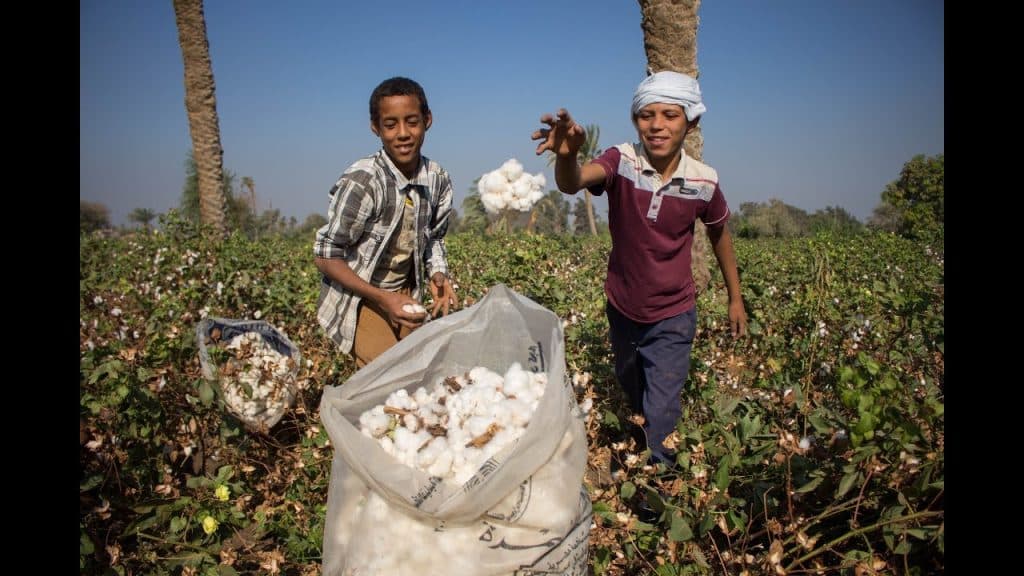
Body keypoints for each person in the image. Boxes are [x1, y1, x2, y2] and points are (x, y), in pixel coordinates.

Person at [531, 70, 748, 465]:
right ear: (636, 120)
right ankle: (635, 448)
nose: (657, 125)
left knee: (663, 405)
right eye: (647, 115)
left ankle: (657, 489)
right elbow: (574, 181)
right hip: (624, 308)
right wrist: (567, 155)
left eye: (670, 115)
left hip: (674, 313)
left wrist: (736, 297)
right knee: (633, 387)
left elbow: (720, 236)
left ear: (691, 121)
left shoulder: (704, 182)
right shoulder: (622, 161)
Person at [314, 76, 457, 368]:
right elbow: (326, 255)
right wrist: (382, 298)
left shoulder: (437, 179)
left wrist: (438, 274)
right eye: (390, 125)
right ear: (375, 127)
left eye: (412, 121)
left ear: (427, 120)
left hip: (404, 292)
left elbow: (434, 238)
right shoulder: (364, 180)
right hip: (360, 296)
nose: (403, 133)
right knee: (390, 374)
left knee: (427, 370)